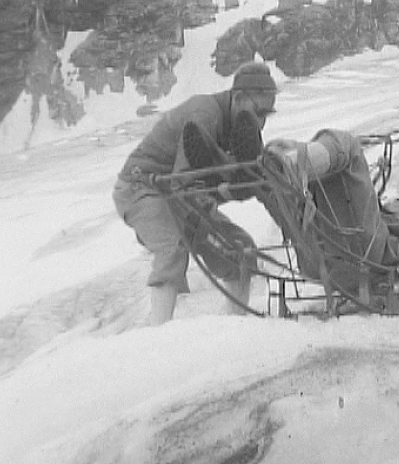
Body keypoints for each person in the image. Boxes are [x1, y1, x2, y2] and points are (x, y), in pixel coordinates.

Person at [112, 62, 277, 325]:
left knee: (241, 250)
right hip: (142, 188)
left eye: (266, 114)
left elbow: (214, 184)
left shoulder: (242, 126)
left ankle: (237, 325)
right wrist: (224, 191)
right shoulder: (204, 115)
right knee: (173, 248)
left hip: (177, 193)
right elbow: (183, 185)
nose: (260, 122)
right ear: (237, 98)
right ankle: (157, 335)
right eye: (258, 112)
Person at [259, 131, 399, 300]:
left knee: (349, 148)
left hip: (373, 262)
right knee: (327, 176)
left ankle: (293, 163)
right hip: (321, 258)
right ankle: (278, 164)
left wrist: (381, 216)